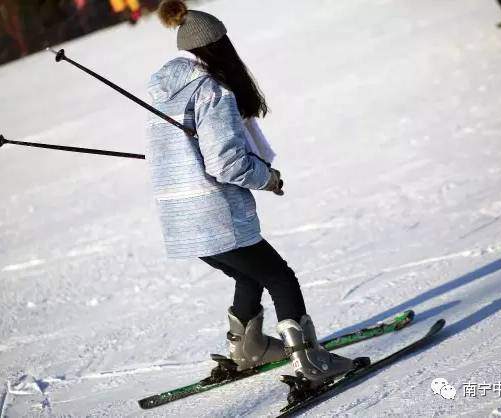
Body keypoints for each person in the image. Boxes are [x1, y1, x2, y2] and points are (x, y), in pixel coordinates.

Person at [145, 0, 356, 387]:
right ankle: (310, 362)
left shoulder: (164, 92)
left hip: (183, 221)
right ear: (220, 46)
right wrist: (268, 178)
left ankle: (248, 349)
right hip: (215, 214)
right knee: (280, 277)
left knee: (250, 274)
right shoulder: (211, 91)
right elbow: (225, 163)